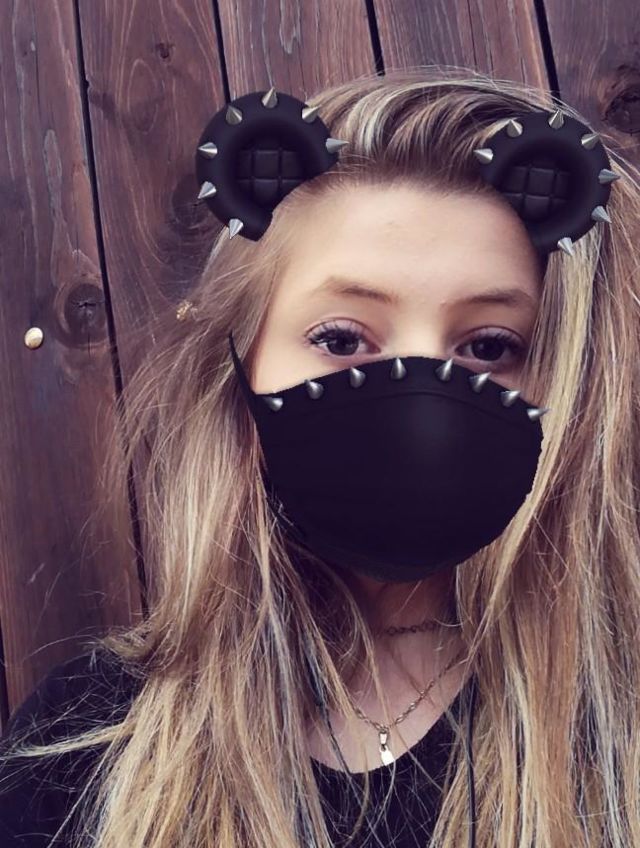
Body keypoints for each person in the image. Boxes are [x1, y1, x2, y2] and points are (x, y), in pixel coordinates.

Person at [0, 66, 638, 848]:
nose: (415, 398)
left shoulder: (618, 727)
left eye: (489, 346)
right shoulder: (83, 746)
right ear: (241, 369)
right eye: (340, 338)